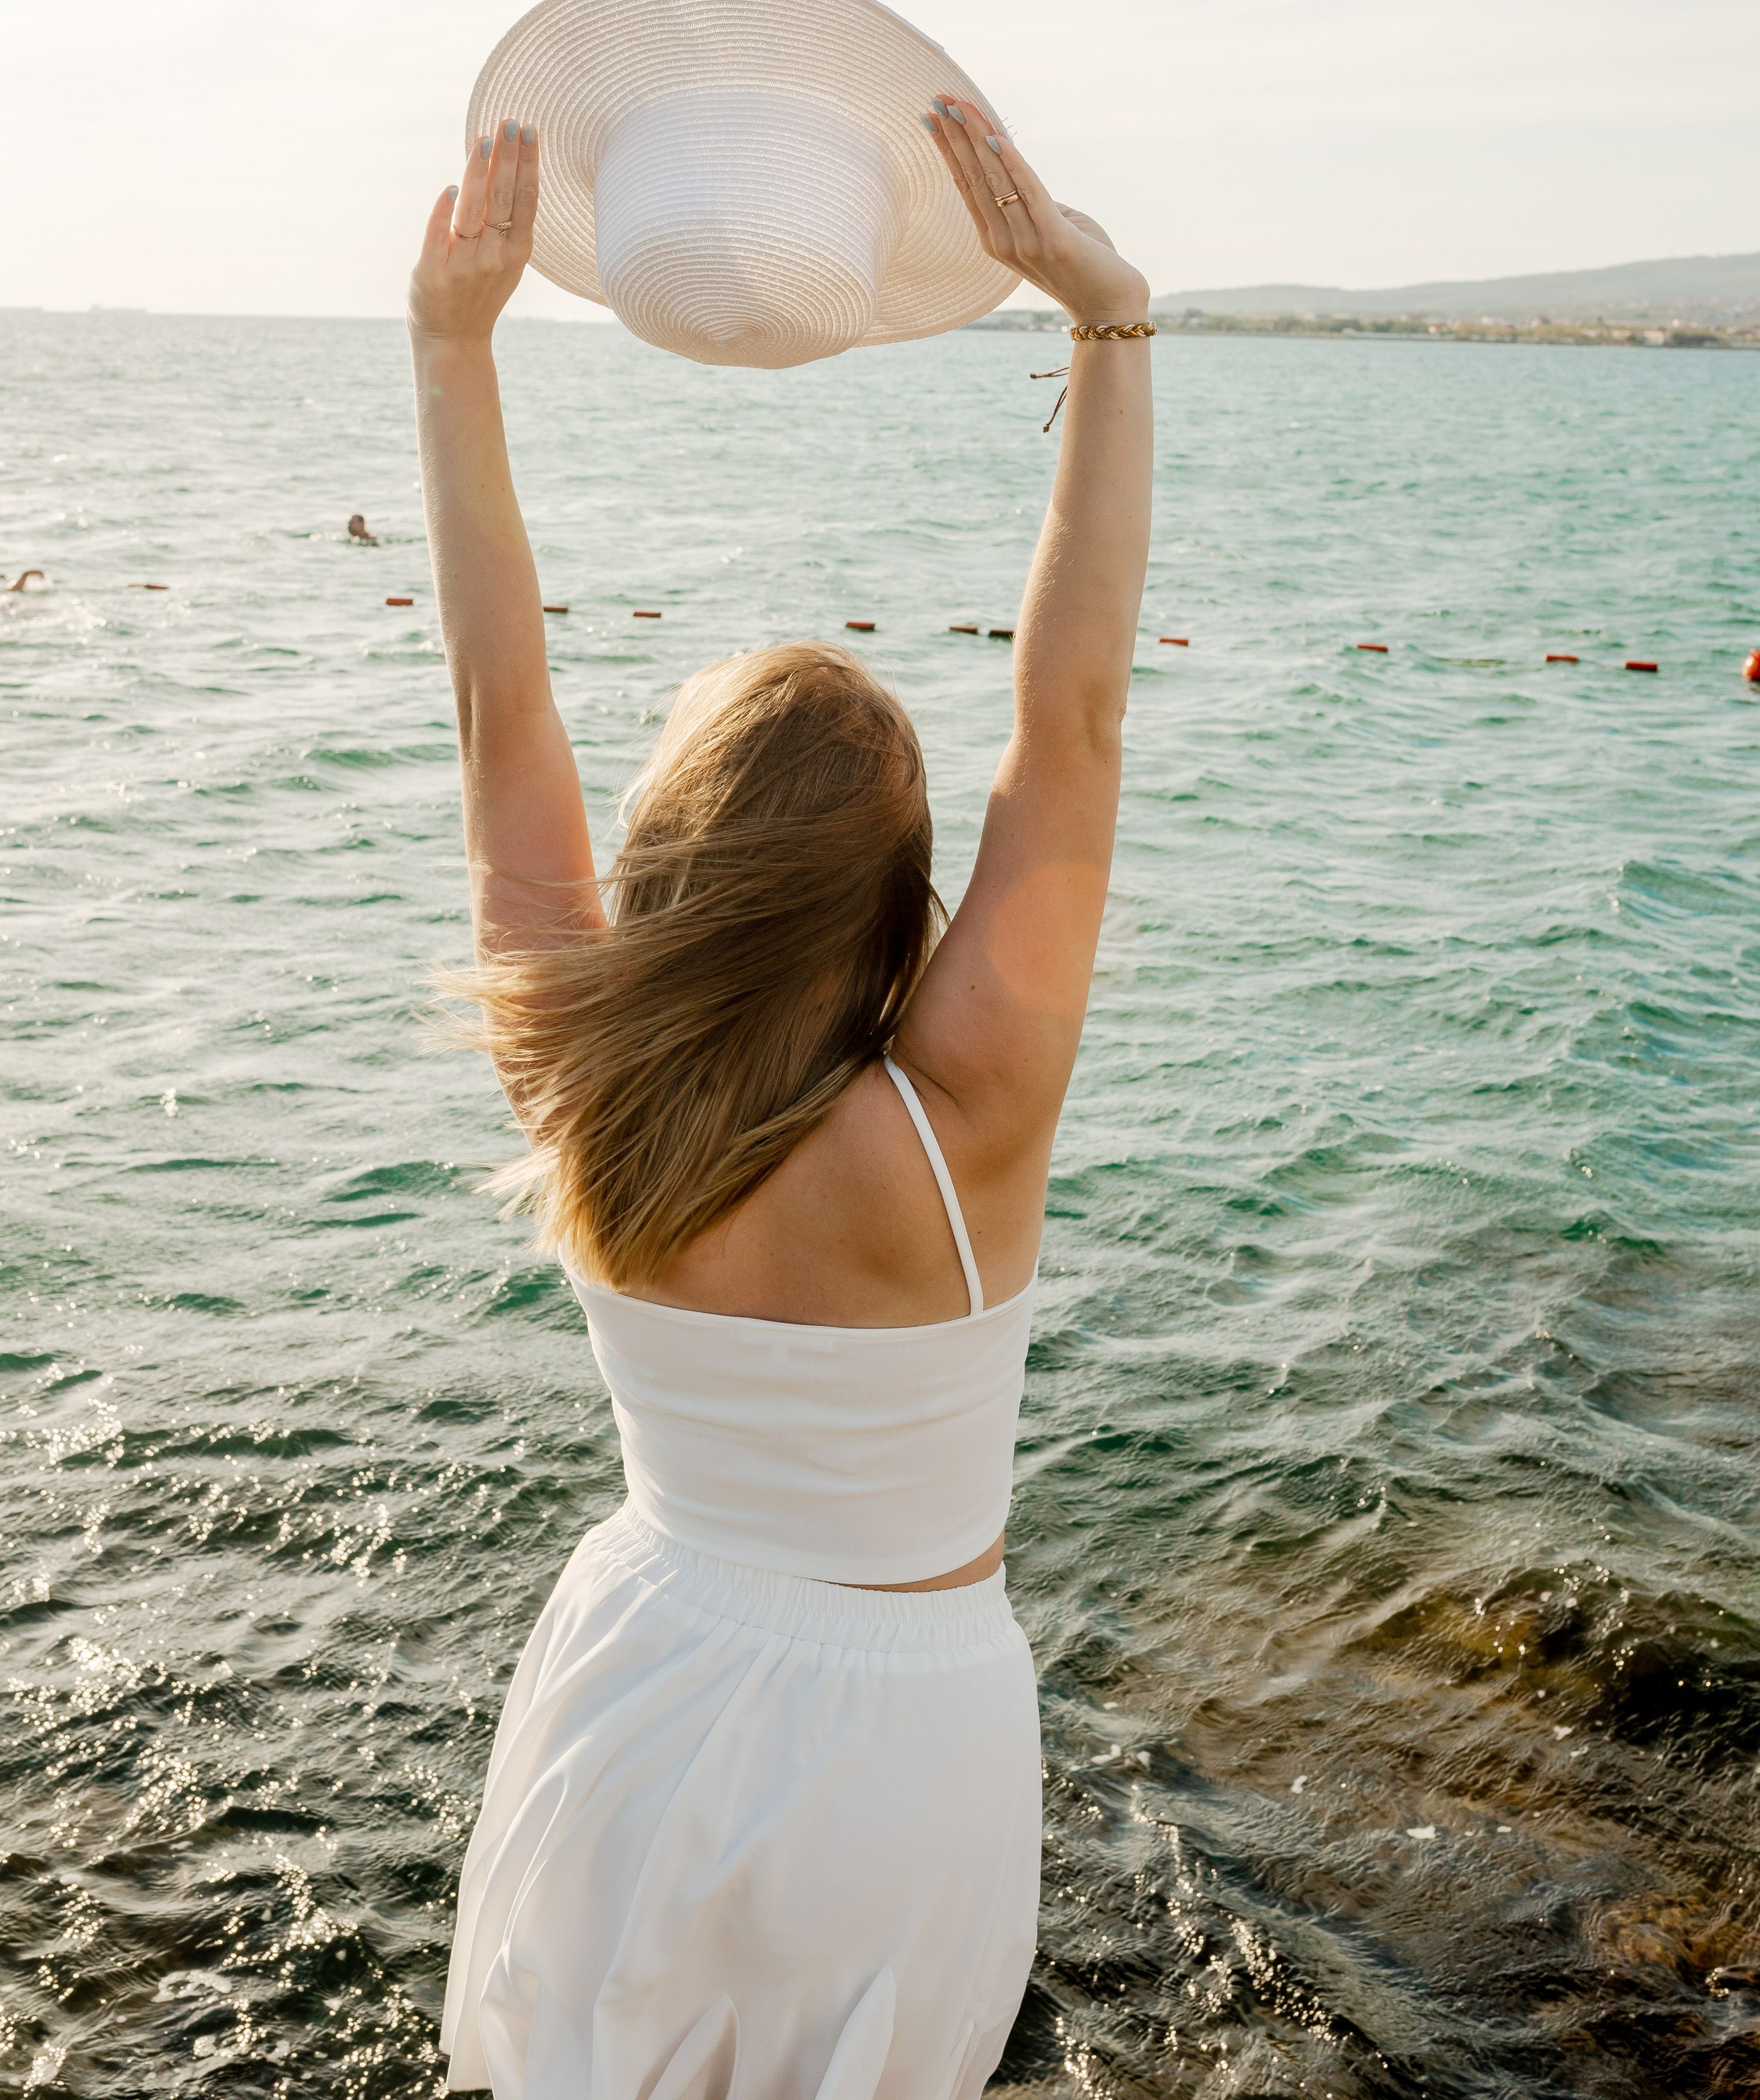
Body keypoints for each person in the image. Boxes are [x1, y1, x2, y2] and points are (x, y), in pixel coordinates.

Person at [412, 106, 1153, 2100]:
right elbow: (1072, 721)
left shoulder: (584, 1078)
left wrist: (453, 345)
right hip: (900, 1747)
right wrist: (1108, 327)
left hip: (639, 1684)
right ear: (903, 899)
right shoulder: (967, 1115)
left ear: (668, 862)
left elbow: (498, 709)